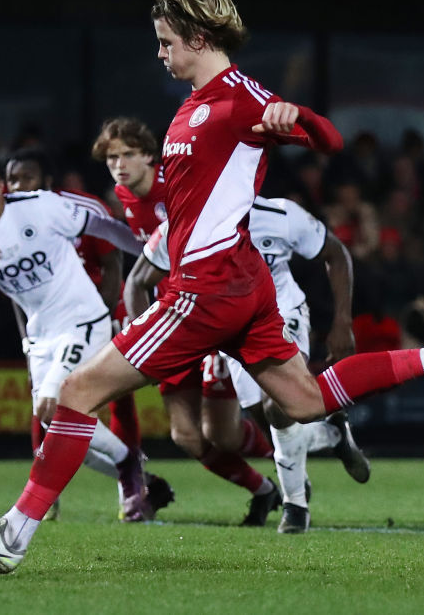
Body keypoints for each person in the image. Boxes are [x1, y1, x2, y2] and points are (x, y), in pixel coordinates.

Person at [0, 0, 424, 574]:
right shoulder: (196, 102)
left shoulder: (240, 99)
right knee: (306, 399)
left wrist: (299, 116)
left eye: (165, 41)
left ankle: (13, 536)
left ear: (198, 37)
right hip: (238, 279)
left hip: (206, 287)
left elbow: (330, 139)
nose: (159, 52)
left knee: (76, 393)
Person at [128, 196, 370, 534]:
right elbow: (137, 281)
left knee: (278, 407)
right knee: (264, 425)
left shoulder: (279, 213)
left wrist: (342, 320)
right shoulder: (189, 221)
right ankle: (331, 434)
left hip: (281, 313)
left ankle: (295, 507)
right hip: (228, 332)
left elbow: (336, 254)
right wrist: (149, 346)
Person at [90, 116, 278, 525]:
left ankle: (291, 452)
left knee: (224, 431)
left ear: (150, 156)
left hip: (209, 311)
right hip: (170, 318)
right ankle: (264, 489)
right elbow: (143, 264)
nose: (119, 165)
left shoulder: (173, 186)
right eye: (111, 158)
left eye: (127, 155)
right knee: (186, 435)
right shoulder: (125, 197)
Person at [0, 153, 157, 521]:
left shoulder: (40, 207)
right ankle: (135, 470)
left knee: (53, 406)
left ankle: (125, 467)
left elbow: (103, 228)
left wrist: (156, 253)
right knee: (55, 427)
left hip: (83, 319)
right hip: (42, 336)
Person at [4, 146, 174, 521]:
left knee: (109, 398)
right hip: (46, 329)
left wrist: (102, 315)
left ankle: (126, 491)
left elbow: (113, 260)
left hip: (96, 315)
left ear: (47, 182)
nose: (17, 186)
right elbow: (18, 289)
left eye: (26, 178)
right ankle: (127, 475)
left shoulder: (82, 208)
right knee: (48, 407)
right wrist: (27, 341)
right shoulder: (6, 220)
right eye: (12, 179)